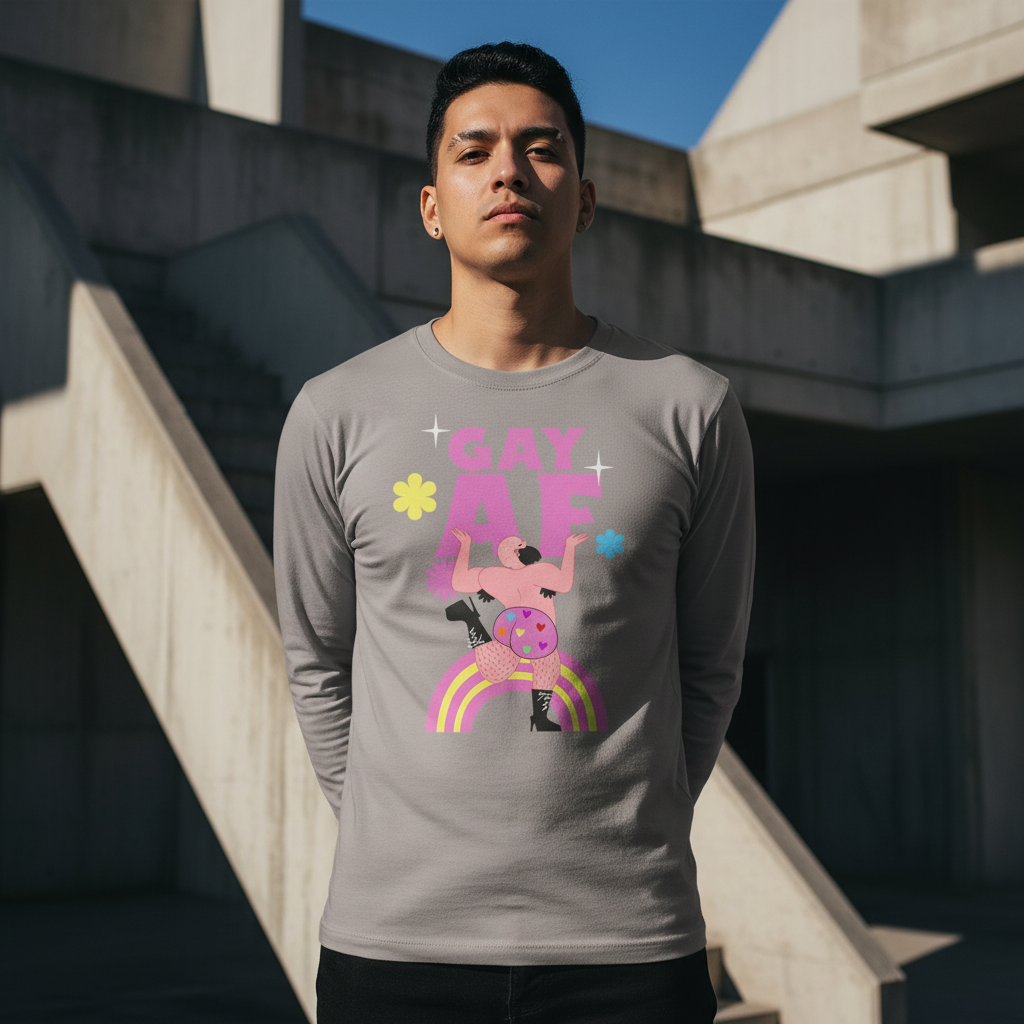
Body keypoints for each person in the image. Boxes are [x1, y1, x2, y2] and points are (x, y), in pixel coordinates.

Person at [274, 41, 754, 1024]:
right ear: (431, 204)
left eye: (541, 148)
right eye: (474, 149)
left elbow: (710, 664)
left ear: (582, 197)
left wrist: (640, 816)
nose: (507, 170)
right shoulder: (336, 412)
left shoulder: (690, 407)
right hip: (393, 946)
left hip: (629, 947)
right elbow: (316, 657)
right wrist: (393, 833)